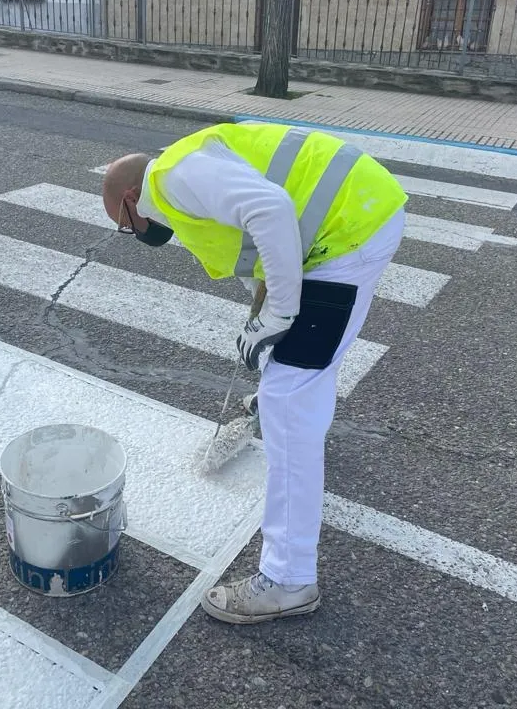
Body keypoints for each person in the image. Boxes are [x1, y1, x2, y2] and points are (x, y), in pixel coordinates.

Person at [101, 121, 408, 625]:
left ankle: (288, 580)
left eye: (123, 222)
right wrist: (261, 315)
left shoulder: (174, 178)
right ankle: (284, 410)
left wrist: (281, 315)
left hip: (346, 234)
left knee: (290, 396)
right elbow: (264, 239)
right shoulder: (189, 168)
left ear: (132, 198)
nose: (132, 232)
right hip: (356, 217)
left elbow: (271, 209)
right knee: (296, 373)